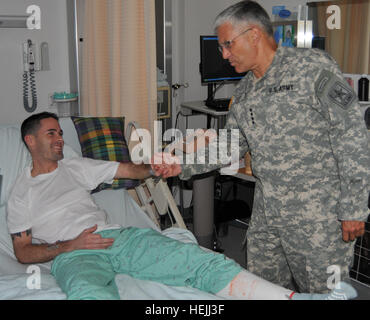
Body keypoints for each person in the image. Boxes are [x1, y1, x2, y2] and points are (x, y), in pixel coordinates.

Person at [6, 112, 356, 300]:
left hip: (119, 238)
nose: (60, 139)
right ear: (30, 140)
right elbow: (22, 252)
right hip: (75, 255)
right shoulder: (21, 192)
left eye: (60, 133)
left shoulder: (76, 166)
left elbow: (130, 170)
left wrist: (161, 163)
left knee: (201, 261)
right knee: (88, 294)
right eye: (52, 133)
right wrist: (72, 245)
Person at [153, 0, 370, 293]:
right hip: (267, 217)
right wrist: (181, 165)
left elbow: (352, 135)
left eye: (228, 44)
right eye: (221, 48)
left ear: (254, 34)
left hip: (319, 220)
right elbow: (230, 145)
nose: (224, 54)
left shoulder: (312, 69)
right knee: (263, 291)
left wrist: (354, 207)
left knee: (327, 294)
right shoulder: (244, 92)